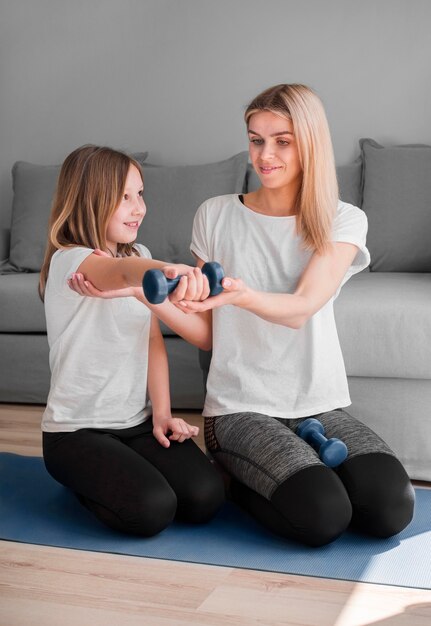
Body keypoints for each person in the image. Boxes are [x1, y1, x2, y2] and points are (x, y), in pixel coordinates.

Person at [168, 83, 415, 547]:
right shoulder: (215, 214)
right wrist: (166, 300)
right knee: (324, 517)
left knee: (391, 507)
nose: (265, 155)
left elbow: (302, 307)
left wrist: (240, 296)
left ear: (310, 142)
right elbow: (206, 334)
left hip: (317, 405)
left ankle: (295, 468)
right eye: (256, 139)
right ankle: (233, 477)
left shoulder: (343, 219)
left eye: (282, 141)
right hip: (239, 407)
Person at [39, 145, 224, 536]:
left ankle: (122, 464)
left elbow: (151, 338)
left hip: (136, 423)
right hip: (76, 432)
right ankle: (81, 481)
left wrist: (162, 414)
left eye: (140, 194)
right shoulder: (71, 261)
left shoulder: (139, 252)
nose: (139, 207)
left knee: (205, 496)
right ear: (90, 199)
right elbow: (121, 273)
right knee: (153, 510)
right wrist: (173, 271)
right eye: (124, 197)